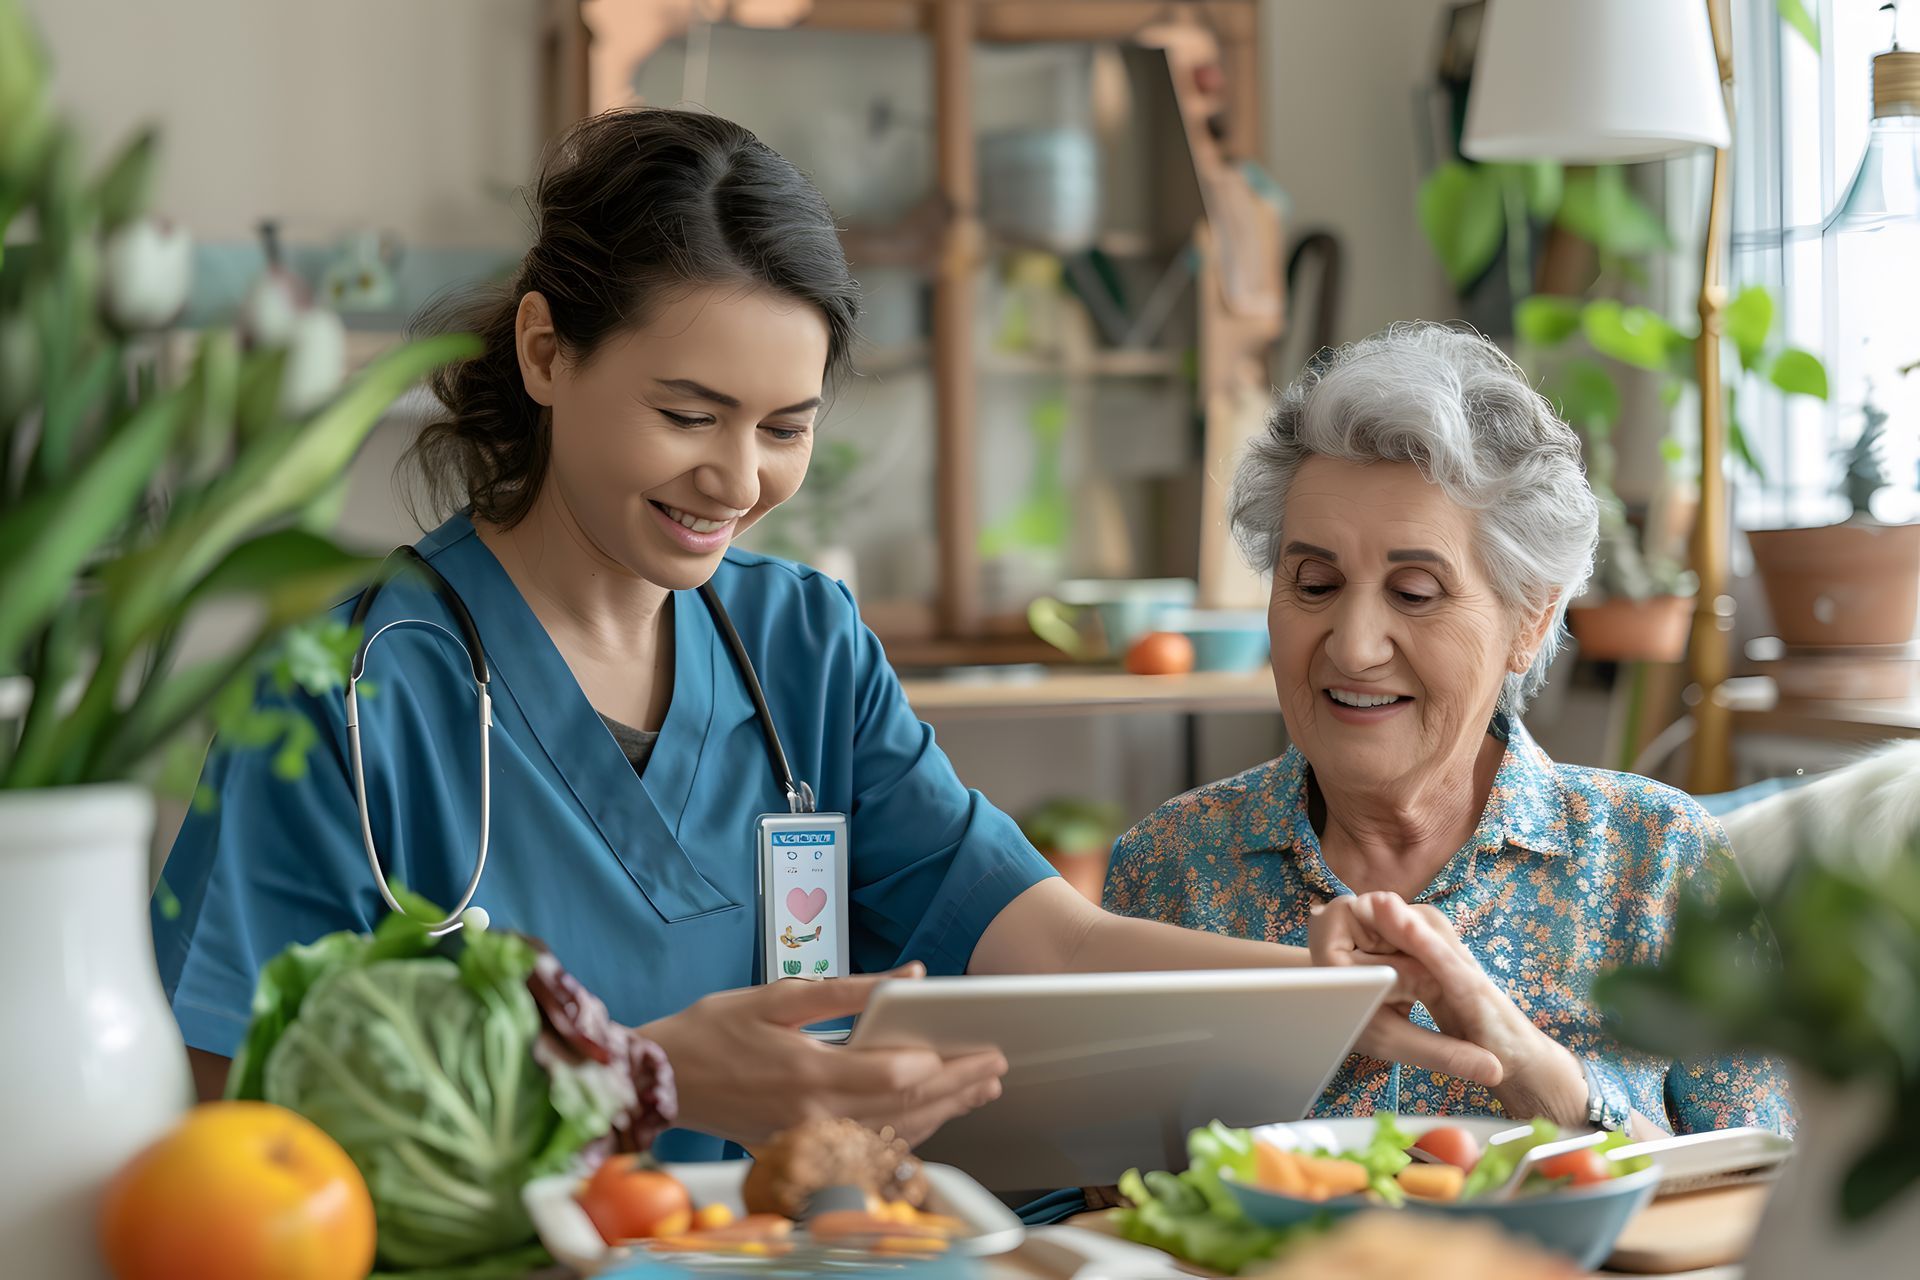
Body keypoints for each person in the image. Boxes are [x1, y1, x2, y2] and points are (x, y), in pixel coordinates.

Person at [153, 110, 1485, 1161]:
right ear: (548, 353)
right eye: (690, 413)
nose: (737, 478)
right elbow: (234, 1110)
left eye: (785, 428)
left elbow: (1050, 941)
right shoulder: (346, 690)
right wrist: (635, 1078)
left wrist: (1302, 995)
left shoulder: (802, 647)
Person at [1105, 324, 1794, 1137]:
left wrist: (1538, 1074)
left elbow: (1769, 1204)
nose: (1354, 647)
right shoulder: (1171, 868)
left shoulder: (1657, 861)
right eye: (1315, 582)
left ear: (1529, 621)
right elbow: (1109, 1193)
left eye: (1417, 592)